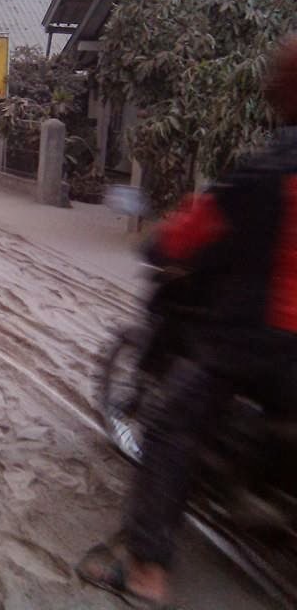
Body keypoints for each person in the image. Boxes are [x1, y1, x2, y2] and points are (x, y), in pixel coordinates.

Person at [77, 34, 297, 608]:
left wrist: (163, 246)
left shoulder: (264, 173)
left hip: (259, 346)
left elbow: (182, 237)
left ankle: (147, 567)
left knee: (171, 426)